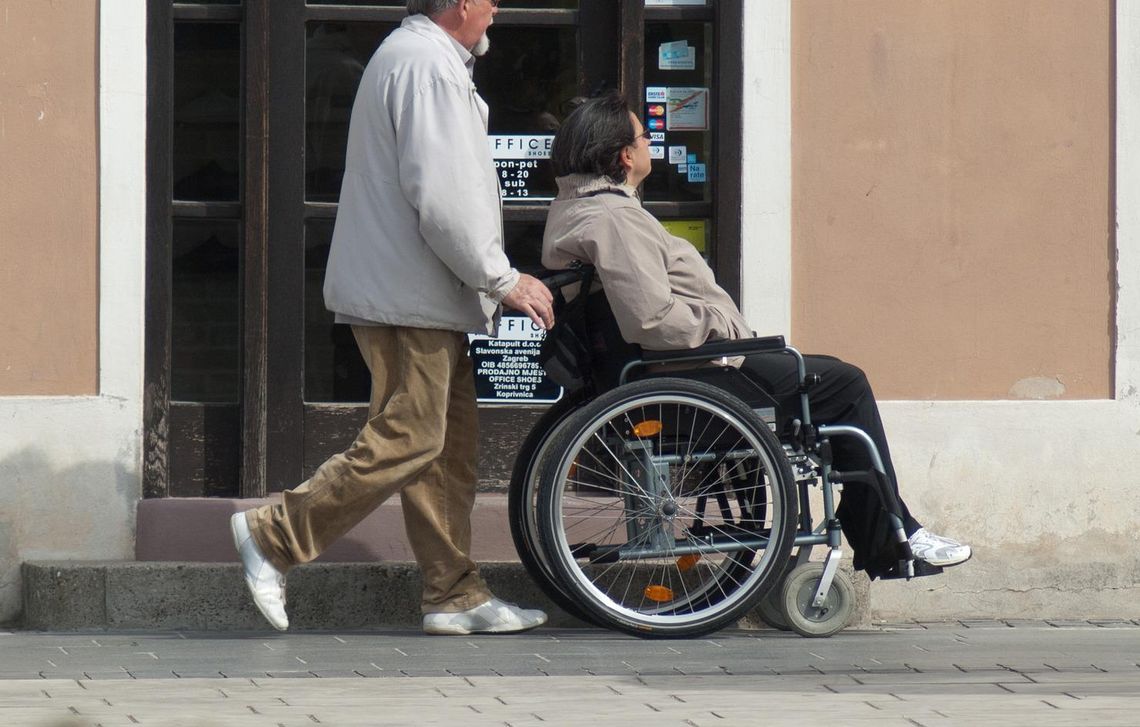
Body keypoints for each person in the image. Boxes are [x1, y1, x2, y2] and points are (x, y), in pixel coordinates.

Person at [540, 92, 971, 580]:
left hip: (676, 370)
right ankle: (891, 530)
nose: (649, 143)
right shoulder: (615, 219)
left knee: (825, 377)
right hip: (690, 373)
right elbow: (652, 321)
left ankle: (886, 524)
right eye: (644, 135)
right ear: (624, 155)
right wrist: (724, 329)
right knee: (843, 384)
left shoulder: (579, 210)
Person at [230, 0, 556, 635]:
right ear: (461, 5)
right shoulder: (427, 67)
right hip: (409, 294)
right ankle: (273, 535)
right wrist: (500, 277)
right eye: (489, 1)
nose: (496, 11)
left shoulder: (421, 60)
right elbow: (444, 195)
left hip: (417, 292)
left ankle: (454, 593)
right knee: (413, 437)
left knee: (445, 451)